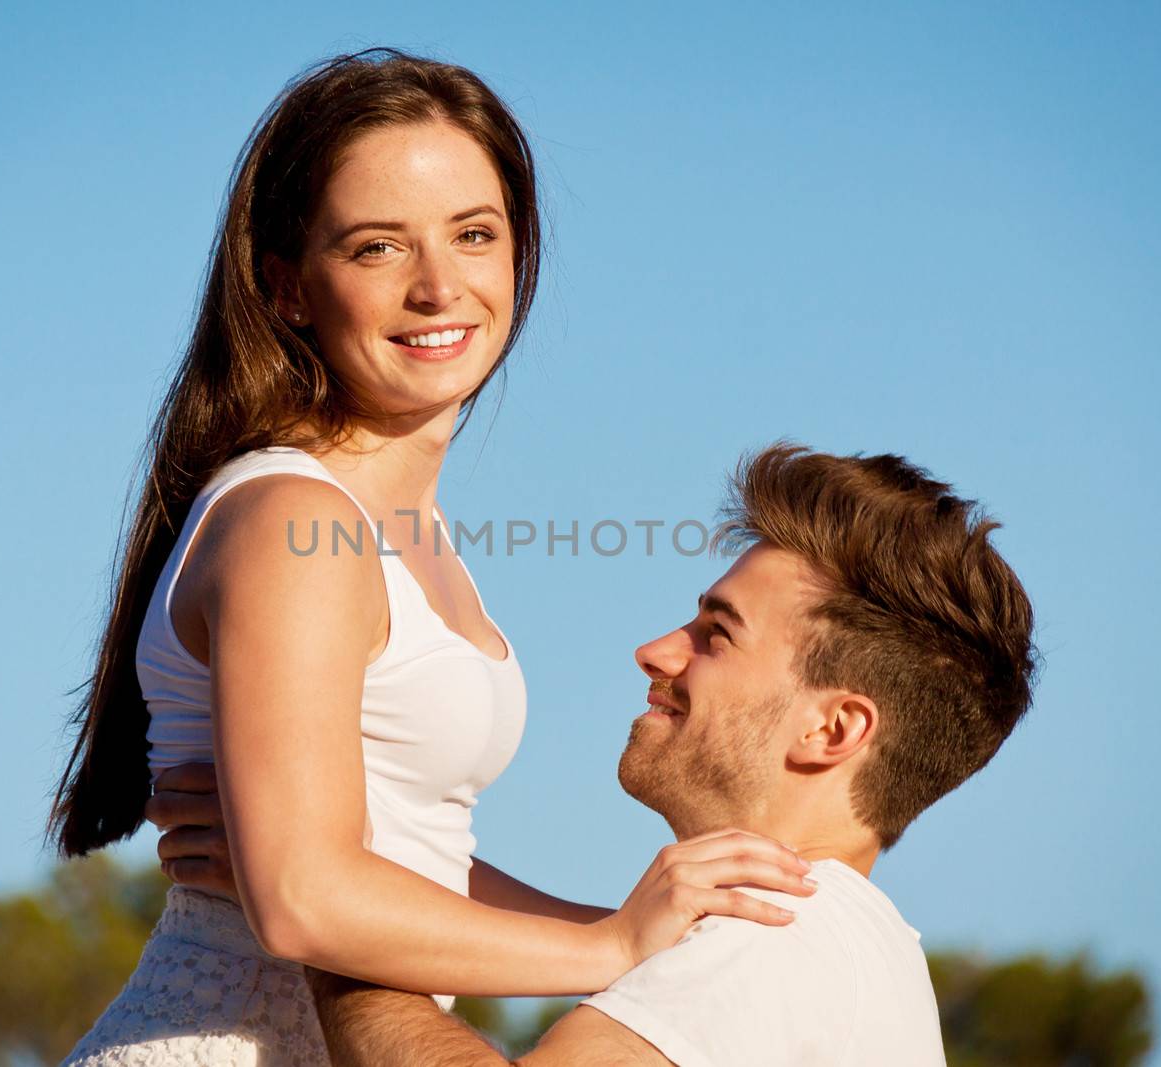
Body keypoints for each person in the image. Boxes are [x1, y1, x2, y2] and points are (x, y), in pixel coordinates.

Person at [51, 50, 812, 1066]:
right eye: (376, 248)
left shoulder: (410, 532)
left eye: (474, 234)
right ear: (286, 285)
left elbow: (409, 856)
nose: (438, 286)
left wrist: (653, 942)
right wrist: (610, 940)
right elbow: (306, 898)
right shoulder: (289, 520)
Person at [153, 442, 1038, 1065]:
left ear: (832, 730)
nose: (657, 649)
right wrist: (310, 856)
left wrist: (333, 933)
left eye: (716, 634)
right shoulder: (846, 948)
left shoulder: (778, 933)